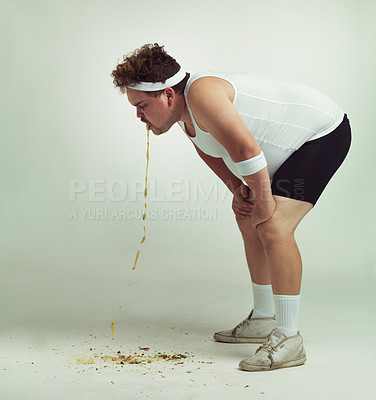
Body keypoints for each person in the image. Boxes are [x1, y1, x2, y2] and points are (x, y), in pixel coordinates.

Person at [110, 43, 351, 371]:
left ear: (167, 94)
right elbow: (207, 148)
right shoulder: (183, 112)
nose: (138, 115)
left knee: (273, 224)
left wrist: (263, 201)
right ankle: (265, 318)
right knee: (250, 217)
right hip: (279, 149)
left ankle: (289, 338)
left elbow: (244, 146)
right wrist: (238, 188)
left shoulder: (201, 94)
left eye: (141, 105)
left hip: (320, 133)